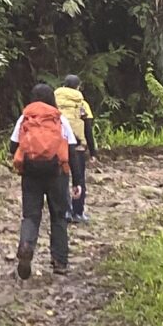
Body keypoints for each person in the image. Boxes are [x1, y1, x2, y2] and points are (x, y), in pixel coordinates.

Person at [7, 81, 78, 280]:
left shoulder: (25, 118)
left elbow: (12, 147)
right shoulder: (59, 119)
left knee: (30, 216)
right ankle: (60, 262)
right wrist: (77, 180)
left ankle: (26, 245)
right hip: (57, 174)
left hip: (31, 174)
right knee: (59, 216)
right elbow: (72, 150)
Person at [53, 74, 97, 222]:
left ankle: (63, 211)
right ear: (78, 87)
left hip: (58, 145)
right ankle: (77, 212)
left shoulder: (54, 102)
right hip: (77, 146)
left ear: (63, 85)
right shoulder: (82, 104)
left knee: (61, 178)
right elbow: (88, 129)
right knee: (79, 178)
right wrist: (93, 151)